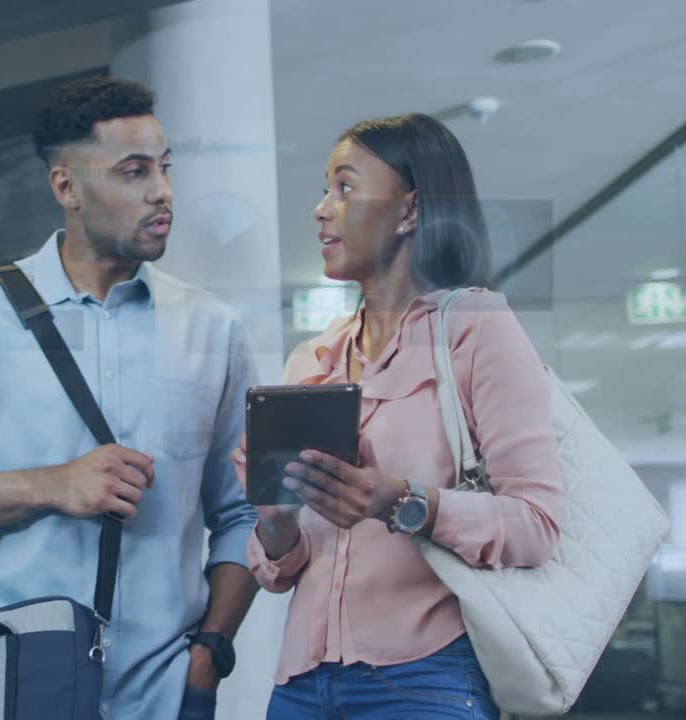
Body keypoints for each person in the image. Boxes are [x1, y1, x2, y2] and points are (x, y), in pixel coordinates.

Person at [0, 75, 260, 720]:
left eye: (165, 169)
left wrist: (210, 657)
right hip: (9, 688)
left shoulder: (212, 330)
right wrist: (51, 484)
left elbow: (241, 515)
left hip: (162, 697)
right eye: (133, 171)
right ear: (67, 187)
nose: (162, 191)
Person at [232, 113, 563, 719]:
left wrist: (402, 501)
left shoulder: (474, 327)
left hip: (426, 677)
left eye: (345, 186)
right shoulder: (313, 359)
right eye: (325, 188)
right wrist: (276, 520)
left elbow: (536, 524)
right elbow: (282, 571)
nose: (321, 208)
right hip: (301, 684)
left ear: (410, 211)